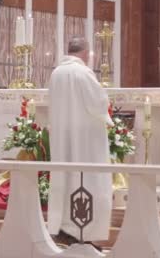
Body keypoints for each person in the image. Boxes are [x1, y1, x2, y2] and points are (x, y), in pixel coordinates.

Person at [47, 37, 113, 250]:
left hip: (63, 138)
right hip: (85, 141)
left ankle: (64, 230)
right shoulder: (83, 73)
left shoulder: (56, 73)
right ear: (85, 52)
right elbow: (99, 103)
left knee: (65, 180)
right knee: (88, 180)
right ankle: (82, 233)